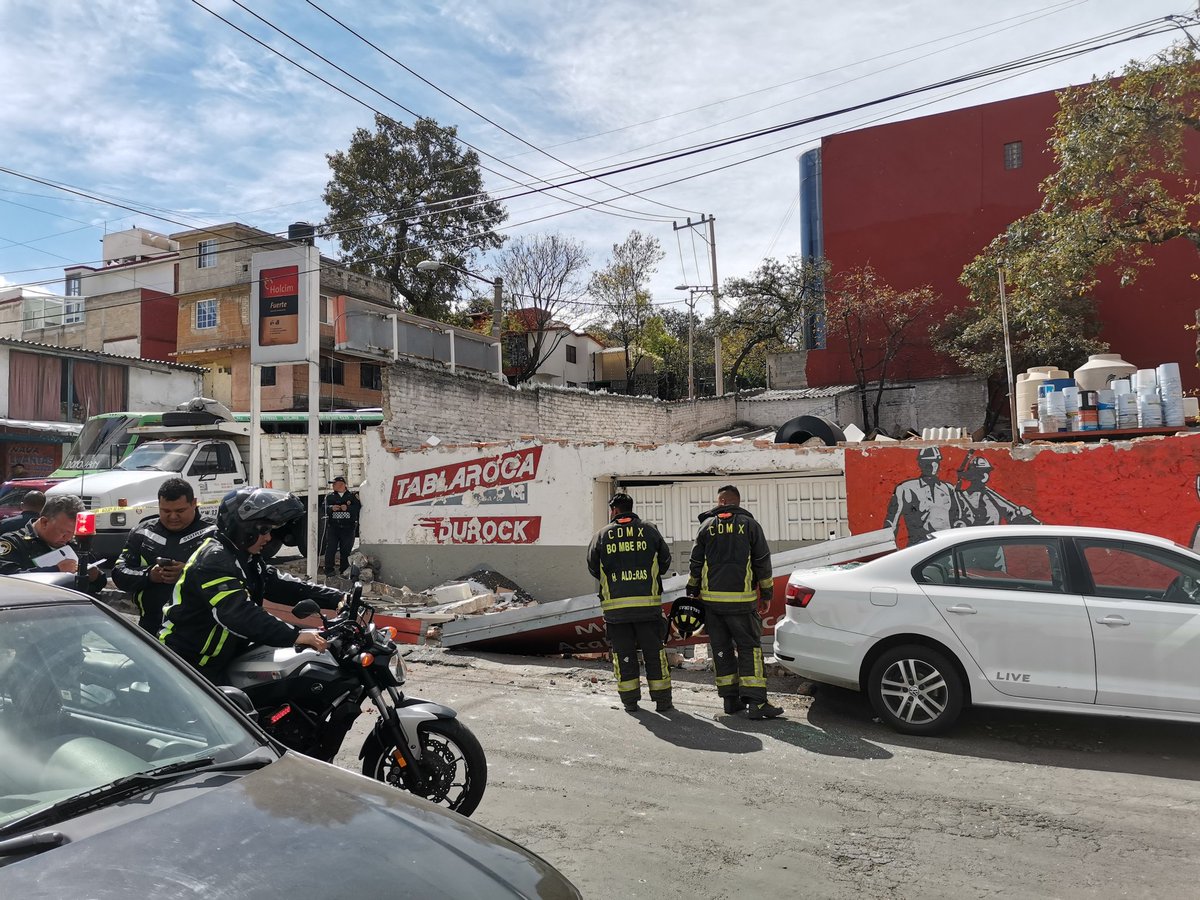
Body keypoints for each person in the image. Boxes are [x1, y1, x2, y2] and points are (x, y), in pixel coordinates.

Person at [160, 487, 344, 683]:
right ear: (243, 529)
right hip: (185, 664)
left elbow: (277, 583)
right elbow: (237, 613)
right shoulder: (214, 560)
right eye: (264, 530)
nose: (268, 537)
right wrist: (295, 636)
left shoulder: (243, 556)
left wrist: (337, 597)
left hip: (221, 658)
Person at [687, 484, 782, 720]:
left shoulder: (706, 526)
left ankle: (730, 701)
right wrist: (767, 595)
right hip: (742, 603)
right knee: (749, 648)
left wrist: (693, 592)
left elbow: (695, 563)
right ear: (737, 502)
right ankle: (757, 704)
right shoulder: (750, 526)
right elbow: (762, 561)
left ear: (721, 502)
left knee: (721, 650)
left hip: (712, 604)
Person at [586, 492, 673, 714]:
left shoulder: (602, 535)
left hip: (617, 610)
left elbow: (593, 568)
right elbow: (664, 562)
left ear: (614, 511)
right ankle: (663, 701)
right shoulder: (650, 530)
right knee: (654, 654)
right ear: (631, 508)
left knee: (623, 655)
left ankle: (630, 701)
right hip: (648, 608)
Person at [112, 478, 214, 635]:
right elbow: (119, 573)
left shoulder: (214, 533)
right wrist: (149, 575)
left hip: (199, 629)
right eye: (166, 511)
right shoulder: (142, 531)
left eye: (180, 511)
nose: (173, 517)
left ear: (194, 503)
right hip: (151, 624)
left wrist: (187, 574)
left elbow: (234, 578)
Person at [0, 493, 106, 595]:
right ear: (44, 522)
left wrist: (95, 576)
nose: (68, 538)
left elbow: (98, 584)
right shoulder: (12, 542)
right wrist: (55, 570)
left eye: (73, 534)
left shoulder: (73, 544)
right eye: (64, 533)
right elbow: (7, 578)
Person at [883, 446, 959, 545]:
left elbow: (958, 519)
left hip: (945, 548)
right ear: (920, 464)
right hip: (919, 548)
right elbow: (891, 523)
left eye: (935, 461)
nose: (932, 465)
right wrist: (889, 550)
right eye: (927, 462)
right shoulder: (906, 489)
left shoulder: (948, 489)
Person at [322, 475, 361, 577]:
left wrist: (347, 508)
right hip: (334, 527)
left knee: (346, 549)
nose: (333, 486)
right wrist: (331, 508)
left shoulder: (352, 496)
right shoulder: (330, 496)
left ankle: (344, 569)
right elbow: (324, 507)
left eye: (335, 484)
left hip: (348, 527)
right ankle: (329, 570)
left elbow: (357, 507)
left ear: (342, 484)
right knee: (331, 548)